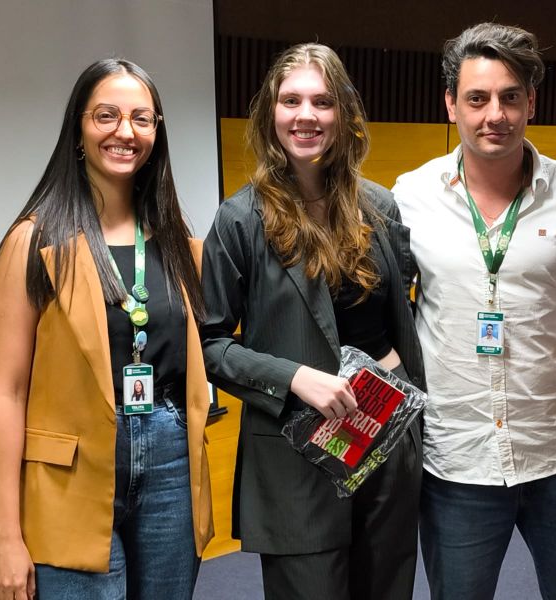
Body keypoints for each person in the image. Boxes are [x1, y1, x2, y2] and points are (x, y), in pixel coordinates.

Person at [392, 23, 556, 600]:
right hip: (455, 464)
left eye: (509, 97)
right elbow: (381, 316)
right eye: (476, 98)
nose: (493, 115)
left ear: (532, 101)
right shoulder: (408, 198)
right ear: (450, 103)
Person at [200, 43, 425, 599]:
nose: (306, 115)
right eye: (291, 100)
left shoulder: (380, 206)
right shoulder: (239, 219)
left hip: (385, 434)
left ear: (344, 114)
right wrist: (295, 377)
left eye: (322, 101)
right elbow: (209, 345)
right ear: (269, 113)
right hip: (295, 451)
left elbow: (401, 312)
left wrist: (401, 381)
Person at [0, 58, 214, 600]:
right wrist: (5, 534)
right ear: (79, 129)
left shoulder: (176, 240)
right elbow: (7, 391)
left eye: (142, 118)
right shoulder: (33, 242)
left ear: (157, 131)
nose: (125, 132)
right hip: (69, 471)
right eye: (106, 115)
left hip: (168, 459)